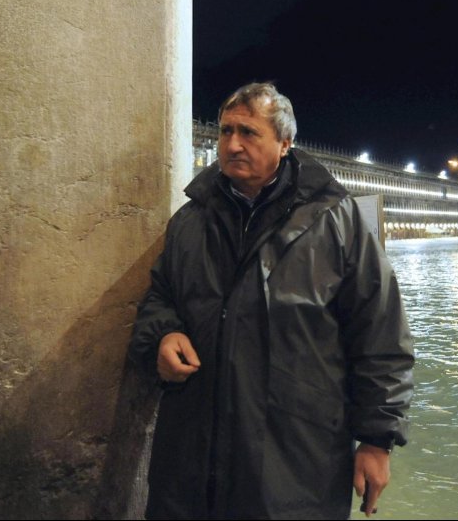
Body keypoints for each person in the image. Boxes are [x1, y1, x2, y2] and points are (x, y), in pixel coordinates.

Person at [130, 82, 414, 519]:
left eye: (248, 133)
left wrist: (377, 440)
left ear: (285, 143)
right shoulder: (189, 221)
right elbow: (159, 295)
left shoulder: (337, 223)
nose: (232, 144)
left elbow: (380, 333)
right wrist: (163, 334)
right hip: (191, 463)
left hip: (295, 465)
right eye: (225, 132)